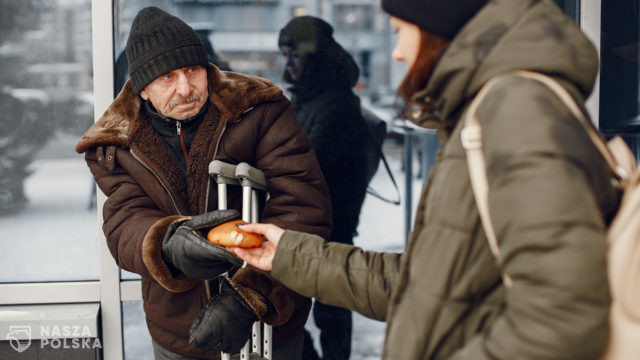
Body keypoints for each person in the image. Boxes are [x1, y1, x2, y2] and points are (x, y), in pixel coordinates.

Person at [233, 0, 621, 359]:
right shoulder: (486, 114)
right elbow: (423, 281)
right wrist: (286, 254)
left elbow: (560, 317)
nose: (397, 52)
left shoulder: (515, 112)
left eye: (401, 29)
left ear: (439, 28)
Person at [75, 6, 331, 359]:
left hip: (268, 324)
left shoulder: (260, 110)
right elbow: (123, 221)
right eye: (168, 77)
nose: (186, 87)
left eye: (193, 70)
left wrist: (252, 296)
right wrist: (166, 242)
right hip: (179, 331)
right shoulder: (118, 143)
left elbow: (304, 207)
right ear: (143, 89)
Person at [277, 15, 370, 360]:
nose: (288, 63)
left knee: (329, 311)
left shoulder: (334, 103)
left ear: (315, 58)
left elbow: (306, 166)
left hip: (332, 221)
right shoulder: (311, 96)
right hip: (319, 218)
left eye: (295, 55)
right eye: (285, 55)